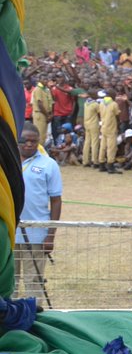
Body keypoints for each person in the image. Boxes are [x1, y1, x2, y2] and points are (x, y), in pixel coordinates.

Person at [16, 125, 62, 303]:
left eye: (33, 141)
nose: (29, 144)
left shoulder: (49, 164)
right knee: (8, 280)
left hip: (36, 233)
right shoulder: (7, 161)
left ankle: (33, 313)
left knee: (33, 280)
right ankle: (6, 315)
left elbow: (56, 200)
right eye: (24, 141)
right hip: (9, 233)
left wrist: (50, 235)